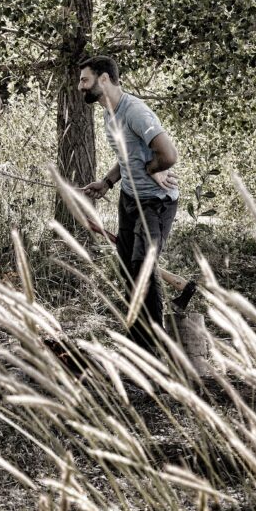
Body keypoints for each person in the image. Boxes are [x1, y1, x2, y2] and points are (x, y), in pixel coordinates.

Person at [78, 55, 180, 353]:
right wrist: (107, 182)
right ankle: (138, 342)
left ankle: (154, 349)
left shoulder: (135, 111)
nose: (80, 86)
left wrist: (152, 169)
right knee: (127, 269)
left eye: (85, 80)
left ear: (104, 79)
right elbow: (127, 157)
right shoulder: (109, 114)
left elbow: (169, 155)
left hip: (155, 203)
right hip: (129, 200)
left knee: (142, 268)